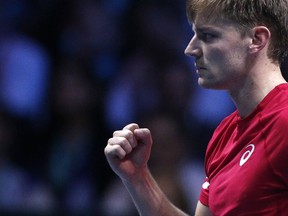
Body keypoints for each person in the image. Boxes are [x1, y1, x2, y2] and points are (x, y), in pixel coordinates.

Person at [104, 0, 288, 215]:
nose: (190, 49)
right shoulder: (224, 134)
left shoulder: (284, 120)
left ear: (257, 39)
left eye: (208, 36)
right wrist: (138, 178)